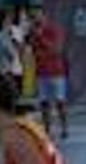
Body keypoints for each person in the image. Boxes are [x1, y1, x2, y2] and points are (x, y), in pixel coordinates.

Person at [30, 10, 71, 139]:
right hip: (42, 73)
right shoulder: (33, 33)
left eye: (38, 16)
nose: (36, 19)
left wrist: (41, 37)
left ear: (44, 17)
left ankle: (64, 128)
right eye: (34, 17)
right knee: (44, 103)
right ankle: (47, 130)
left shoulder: (53, 30)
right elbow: (35, 52)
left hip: (57, 72)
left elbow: (56, 50)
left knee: (60, 102)